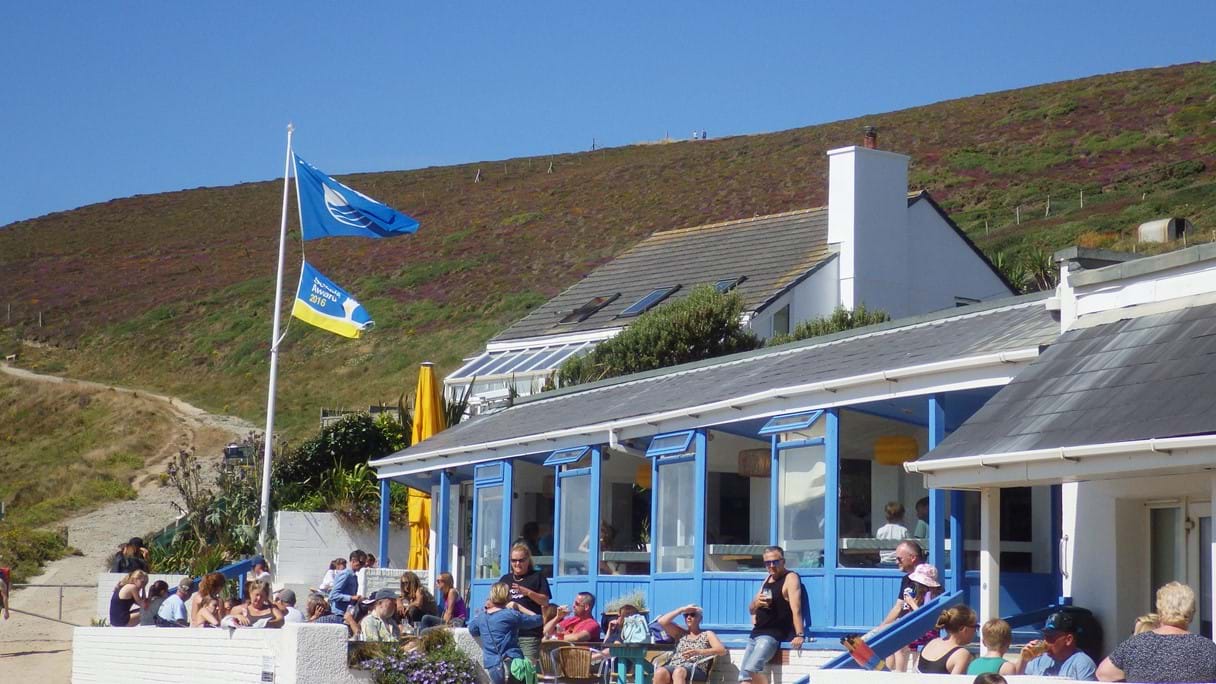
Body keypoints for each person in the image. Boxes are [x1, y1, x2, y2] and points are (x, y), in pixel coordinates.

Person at [1097, 581, 1216, 682]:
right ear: (1192, 612)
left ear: (1159, 610)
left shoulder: (1137, 645)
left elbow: (1103, 674)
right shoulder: (1207, 649)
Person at [740, 546, 805, 684]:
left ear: (783, 561)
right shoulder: (767, 579)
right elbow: (751, 609)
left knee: (751, 670)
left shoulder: (790, 578)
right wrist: (756, 603)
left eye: (775, 561)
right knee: (744, 678)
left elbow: (797, 609)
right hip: (756, 634)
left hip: (772, 634)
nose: (771, 565)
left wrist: (799, 634)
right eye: (767, 563)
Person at [470, 581, 544, 684]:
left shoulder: (481, 617)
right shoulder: (511, 615)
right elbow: (537, 620)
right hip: (512, 661)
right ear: (507, 596)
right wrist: (519, 607)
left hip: (493, 664)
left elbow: (472, 630)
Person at [877, 540, 928, 671]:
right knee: (884, 636)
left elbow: (922, 611)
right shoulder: (906, 579)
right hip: (903, 624)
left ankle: (898, 676)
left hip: (916, 625)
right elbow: (898, 606)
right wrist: (881, 627)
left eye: (899, 558)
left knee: (895, 641)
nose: (896, 562)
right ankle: (888, 674)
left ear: (912, 558)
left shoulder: (925, 580)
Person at [498, 543, 551, 663]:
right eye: (514, 560)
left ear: (528, 560)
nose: (517, 564)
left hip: (529, 634)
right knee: (511, 669)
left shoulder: (537, 577)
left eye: (521, 560)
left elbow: (545, 601)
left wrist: (528, 593)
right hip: (508, 634)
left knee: (528, 668)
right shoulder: (505, 579)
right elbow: (496, 601)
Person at [654, 604, 727, 684]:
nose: (689, 617)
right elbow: (662, 621)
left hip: (697, 668)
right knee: (660, 672)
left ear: (700, 618)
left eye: (692, 614)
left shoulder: (707, 634)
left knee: (678, 672)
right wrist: (681, 610)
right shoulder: (680, 633)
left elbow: (722, 650)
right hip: (675, 665)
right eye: (686, 615)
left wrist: (699, 651)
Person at [1016, 611, 1097, 680]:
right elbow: (1017, 681)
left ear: (1068, 640)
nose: (1045, 641)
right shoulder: (1039, 659)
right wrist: (1023, 660)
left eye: (1051, 637)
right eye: (1045, 636)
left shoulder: (1082, 664)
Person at [916, 605, 977, 674]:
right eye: (976, 626)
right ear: (963, 629)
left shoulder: (932, 642)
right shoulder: (961, 654)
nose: (975, 630)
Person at [329, 549, 366, 615]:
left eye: (364, 563)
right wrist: (351, 597)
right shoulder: (346, 574)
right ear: (353, 561)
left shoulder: (354, 576)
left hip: (347, 613)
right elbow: (333, 595)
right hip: (339, 614)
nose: (363, 565)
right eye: (361, 563)